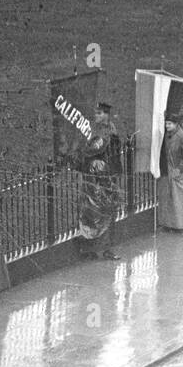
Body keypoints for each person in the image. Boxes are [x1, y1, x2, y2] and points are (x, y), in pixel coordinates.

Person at [78, 101, 122, 260]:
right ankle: (89, 249)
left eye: (99, 113)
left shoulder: (110, 129)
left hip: (106, 174)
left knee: (107, 213)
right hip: (94, 176)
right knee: (91, 212)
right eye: (95, 113)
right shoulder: (93, 130)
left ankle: (106, 249)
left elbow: (113, 150)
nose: (96, 116)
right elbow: (90, 150)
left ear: (106, 114)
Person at [157, 114, 183, 231]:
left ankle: (182, 224)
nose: (167, 126)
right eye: (166, 123)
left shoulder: (182, 137)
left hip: (179, 172)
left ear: (176, 124)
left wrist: (179, 169)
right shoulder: (168, 135)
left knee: (180, 199)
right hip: (170, 169)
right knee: (170, 197)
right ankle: (170, 224)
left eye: (169, 124)